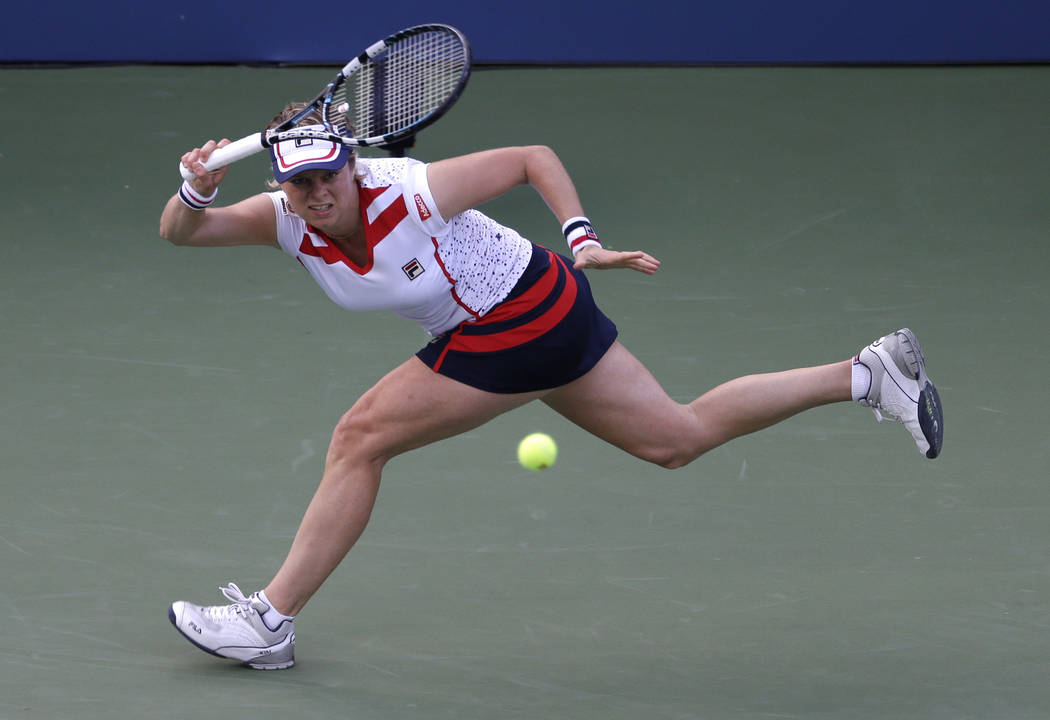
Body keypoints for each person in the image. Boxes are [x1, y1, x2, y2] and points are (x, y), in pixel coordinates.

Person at [160, 104, 943, 670]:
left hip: (523, 310)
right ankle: (868, 374)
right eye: (300, 185)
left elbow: (533, 156)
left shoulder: (411, 190)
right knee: (676, 438)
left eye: (328, 176)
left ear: (352, 167)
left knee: (359, 438)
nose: (317, 195)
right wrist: (196, 188)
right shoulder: (285, 220)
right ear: (282, 186)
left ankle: (269, 620)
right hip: (530, 317)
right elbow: (181, 232)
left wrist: (584, 239)